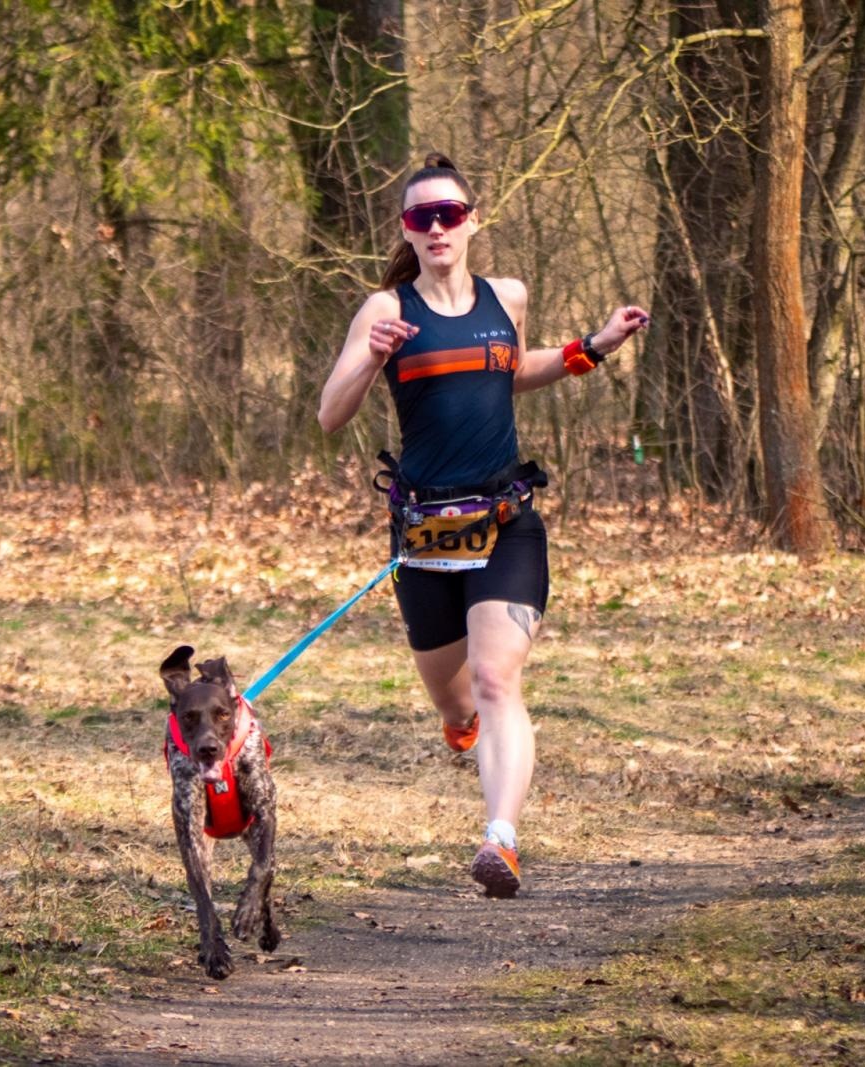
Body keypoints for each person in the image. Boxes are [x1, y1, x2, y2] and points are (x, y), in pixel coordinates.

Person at [318, 153, 648, 898]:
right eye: (420, 217)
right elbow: (329, 415)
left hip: (506, 522)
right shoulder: (386, 309)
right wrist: (369, 362)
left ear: (471, 222)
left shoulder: (508, 295)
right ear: (406, 229)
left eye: (450, 214)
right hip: (426, 536)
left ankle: (500, 836)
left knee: (499, 677)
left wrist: (590, 349)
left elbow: (510, 368)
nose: (436, 228)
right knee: (458, 698)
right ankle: (460, 723)